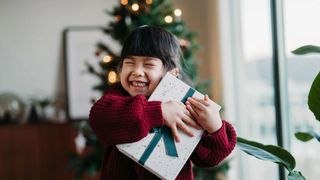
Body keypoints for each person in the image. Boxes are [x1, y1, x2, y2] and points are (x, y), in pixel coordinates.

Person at [89, 26, 236, 180]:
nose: (137, 71)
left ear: (172, 73)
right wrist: (159, 111)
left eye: (149, 64)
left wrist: (215, 128)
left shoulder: (185, 104)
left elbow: (208, 158)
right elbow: (100, 119)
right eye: (129, 63)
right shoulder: (117, 97)